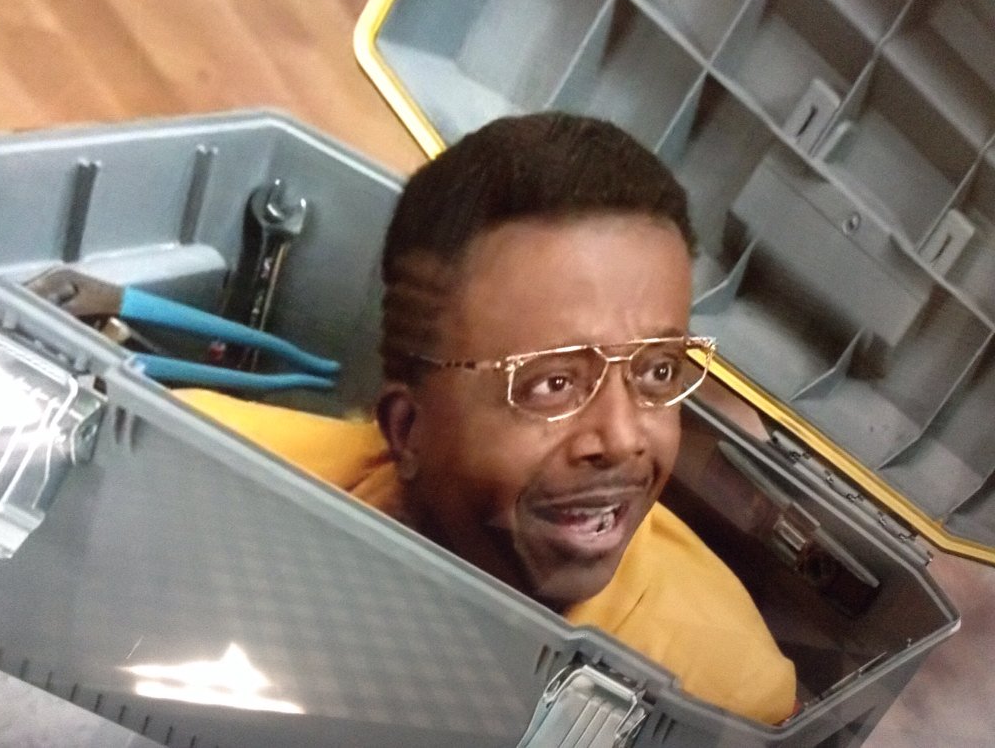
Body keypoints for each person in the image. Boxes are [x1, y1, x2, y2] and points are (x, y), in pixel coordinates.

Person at [178, 113, 796, 723]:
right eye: (553, 383)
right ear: (406, 429)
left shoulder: (724, 694)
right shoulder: (190, 477)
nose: (623, 438)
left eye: (657, 371)